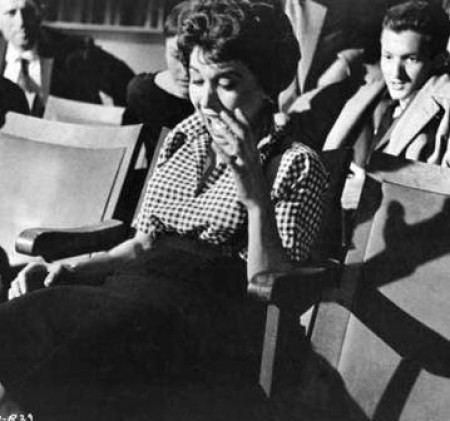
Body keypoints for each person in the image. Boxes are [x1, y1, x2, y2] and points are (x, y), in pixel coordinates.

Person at [0, 0, 328, 419]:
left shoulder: (295, 163)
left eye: (226, 82)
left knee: (83, 350)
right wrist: (73, 268)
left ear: (267, 83)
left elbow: (270, 290)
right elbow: (142, 244)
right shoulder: (184, 137)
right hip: (128, 292)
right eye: (197, 81)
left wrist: (255, 198)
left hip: (204, 321)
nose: (206, 101)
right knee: (17, 320)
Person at [323, 0, 450, 167]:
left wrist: (366, 181)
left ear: (440, 60)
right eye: (388, 57)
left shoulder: (445, 109)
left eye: (411, 59)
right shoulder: (367, 96)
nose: (395, 73)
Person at [0, 0, 135, 116]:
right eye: (11, 13)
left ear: (40, 14)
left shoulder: (78, 51)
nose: (21, 22)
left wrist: (121, 128)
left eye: (28, 11)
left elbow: (130, 87)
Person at [122, 1, 194, 163]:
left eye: (192, 59)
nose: (185, 71)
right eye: (176, 56)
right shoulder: (142, 91)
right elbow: (124, 155)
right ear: (164, 48)